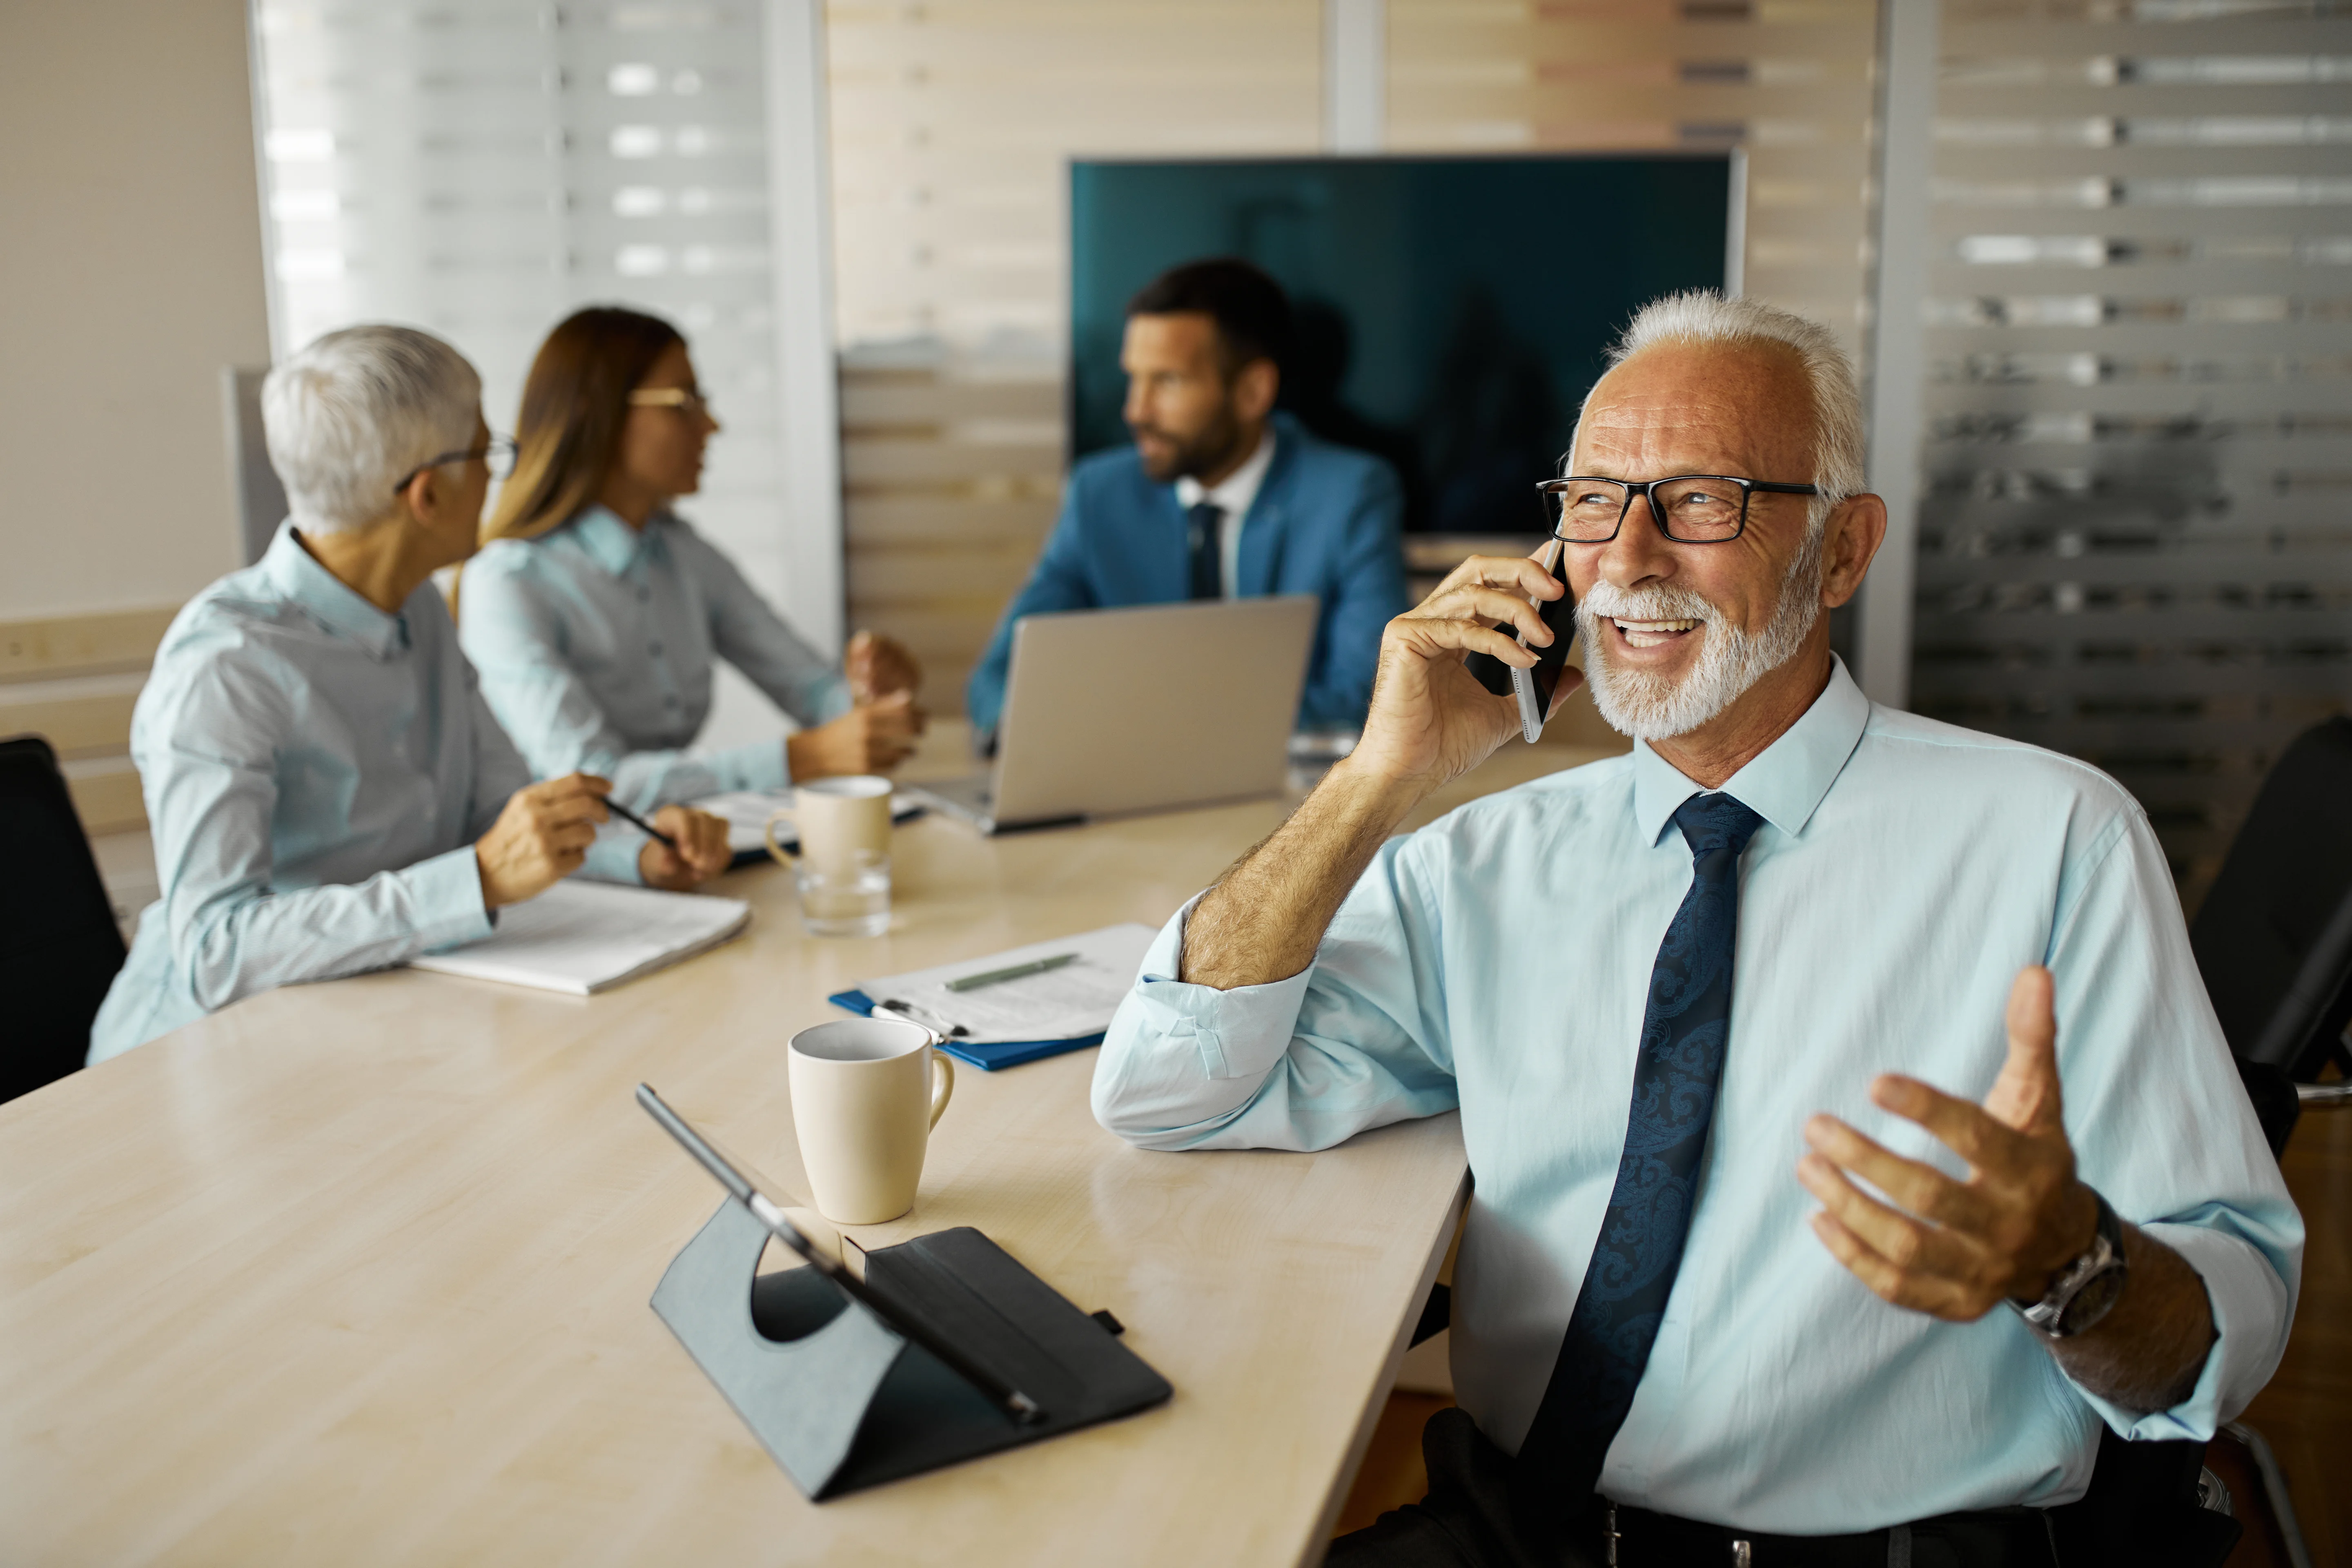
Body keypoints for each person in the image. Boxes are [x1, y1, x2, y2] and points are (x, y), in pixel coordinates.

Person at [1091, 294, 2300, 1565]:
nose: (1627, 557)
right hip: (1525, 1528)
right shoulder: (1485, 858)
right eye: (1594, 499)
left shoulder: (2057, 839)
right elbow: (1171, 1088)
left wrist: (2074, 1263)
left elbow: (2232, 1329)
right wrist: (1376, 780)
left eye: (1703, 501)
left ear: (1840, 552)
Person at [90, 327, 732, 1064]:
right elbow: (216, 952)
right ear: (429, 494)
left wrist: (638, 853)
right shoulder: (226, 666)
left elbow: (498, 817)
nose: (500, 478)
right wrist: (478, 879)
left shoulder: (419, 608)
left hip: (375, 1022)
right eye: (488, 455)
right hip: (194, 1062)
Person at [459, 307, 923, 811]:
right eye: (684, 402)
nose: (711, 424)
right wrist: (805, 758)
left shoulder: (684, 556)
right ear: (603, 413)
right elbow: (592, 783)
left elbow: (810, 689)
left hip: (682, 850)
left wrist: (869, 704)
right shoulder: (507, 583)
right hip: (573, 874)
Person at [966, 258, 1408, 740]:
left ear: (1252, 391)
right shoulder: (1099, 494)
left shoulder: (1350, 495)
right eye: (1134, 378)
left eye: (1167, 381)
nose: (1135, 410)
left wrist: (1149, 723)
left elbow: (1370, 697)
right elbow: (994, 682)